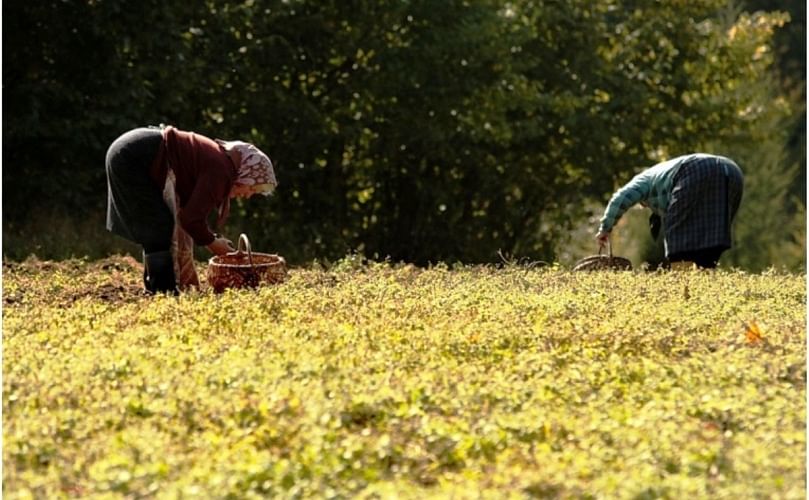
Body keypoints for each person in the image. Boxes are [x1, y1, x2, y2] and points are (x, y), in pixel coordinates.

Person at [105, 125, 277, 293]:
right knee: (158, 226)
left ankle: (161, 288)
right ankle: (163, 291)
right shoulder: (221, 170)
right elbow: (191, 219)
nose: (248, 195)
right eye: (253, 189)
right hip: (135, 155)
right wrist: (214, 244)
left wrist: (212, 240)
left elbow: (188, 215)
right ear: (246, 174)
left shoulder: (222, 163)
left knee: (159, 226)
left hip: (134, 147)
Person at [596, 153, 743, 269]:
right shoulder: (663, 173)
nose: (646, 206)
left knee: (677, 234)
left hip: (696, 170)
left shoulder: (643, 179)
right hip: (733, 171)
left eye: (644, 203)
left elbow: (621, 197)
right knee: (714, 232)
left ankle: (682, 288)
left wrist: (605, 229)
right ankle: (703, 287)